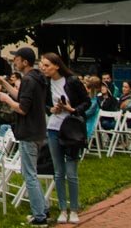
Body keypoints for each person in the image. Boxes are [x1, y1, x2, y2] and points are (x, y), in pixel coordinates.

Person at [0, 47, 48, 227]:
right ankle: (43, 207)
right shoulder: (35, 79)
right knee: (31, 172)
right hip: (38, 130)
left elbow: (23, 108)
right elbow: (21, 96)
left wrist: (6, 100)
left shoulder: (29, 81)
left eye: (16, 59)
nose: (14, 61)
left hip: (29, 132)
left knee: (29, 174)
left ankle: (39, 216)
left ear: (25, 62)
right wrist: (4, 83)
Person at [40, 52, 90, 225]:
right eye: (42, 65)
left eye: (47, 65)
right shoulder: (46, 83)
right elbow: (44, 104)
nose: (44, 68)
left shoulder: (72, 81)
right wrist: (51, 109)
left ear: (57, 66)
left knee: (71, 172)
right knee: (58, 172)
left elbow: (86, 102)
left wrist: (72, 109)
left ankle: (74, 209)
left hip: (71, 128)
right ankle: (62, 208)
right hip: (53, 128)